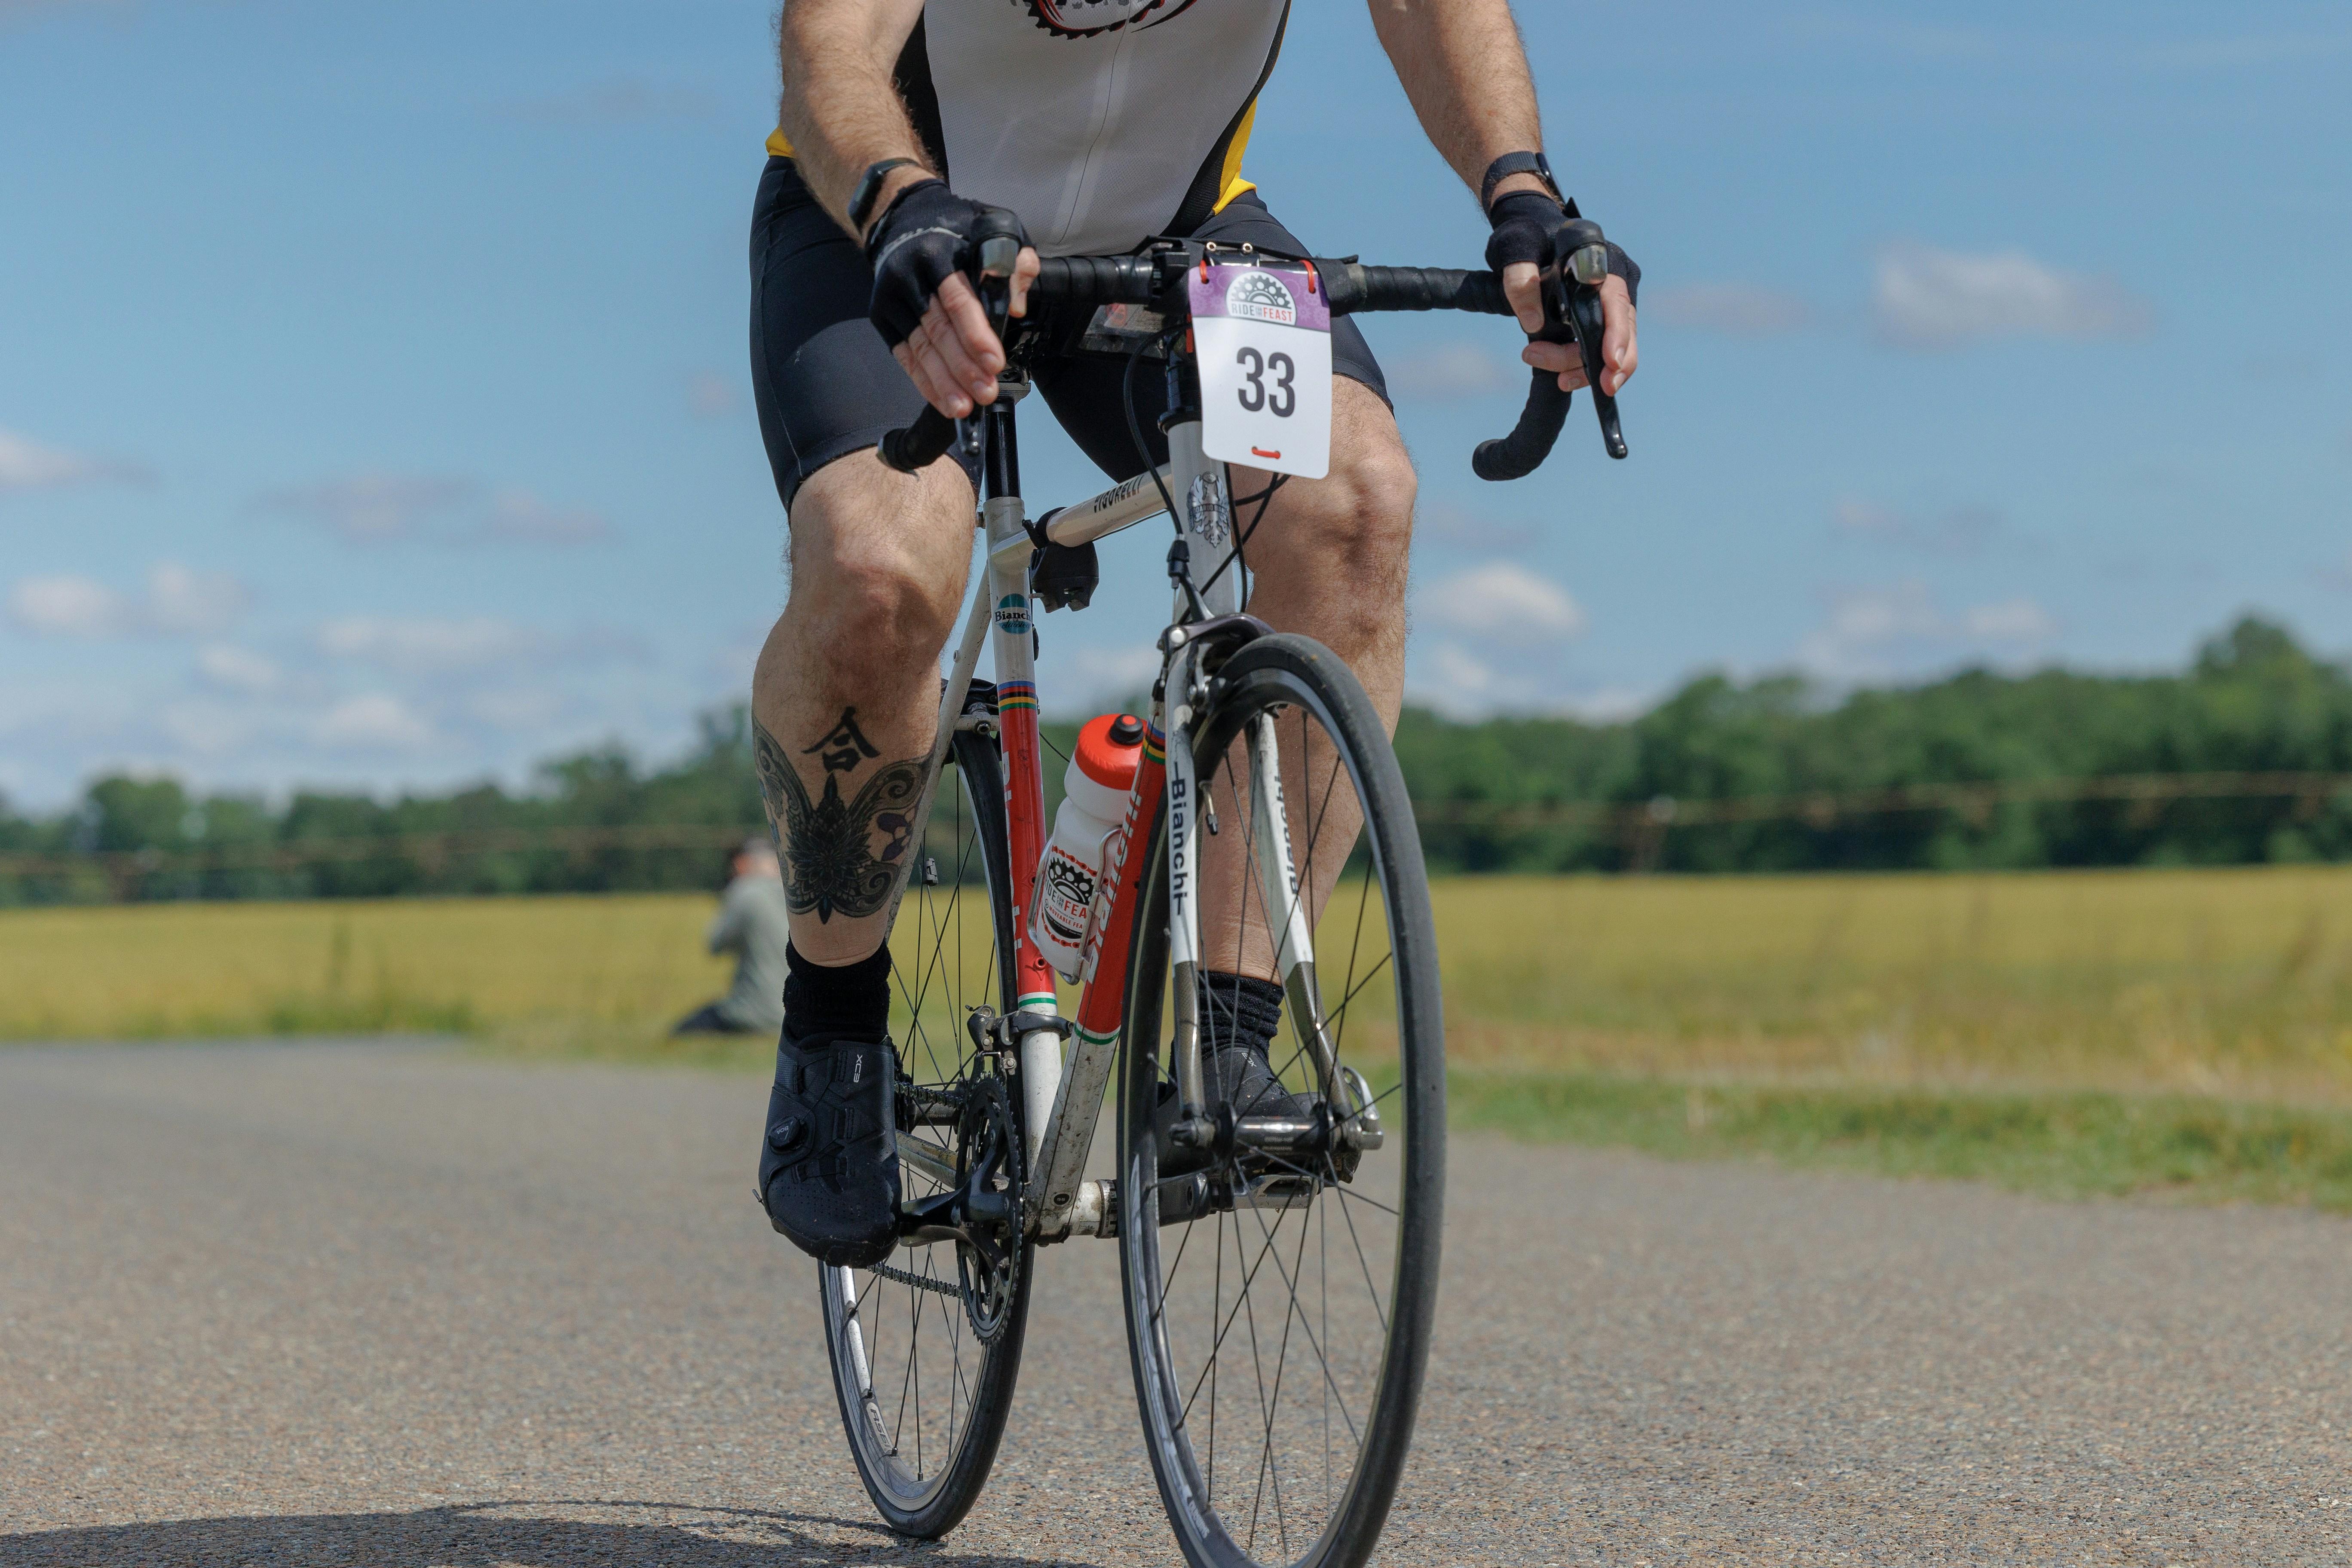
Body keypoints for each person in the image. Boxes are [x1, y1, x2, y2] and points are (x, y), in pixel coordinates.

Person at [749, 0, 1640, 1267]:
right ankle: (833, 1025)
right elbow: (830, 39)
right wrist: (897, 198)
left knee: (1352, 508)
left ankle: (1226, 1035)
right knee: (881, 570)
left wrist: (1527, 200)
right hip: (889, 224)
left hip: (1176, 233)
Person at [673, 839, 794, 1036]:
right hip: (794, 1015)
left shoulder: (745, 890)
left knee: (680, 1034)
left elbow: (716, 944)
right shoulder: (796, 893)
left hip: (753, 1012)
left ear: (742, 864)